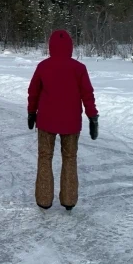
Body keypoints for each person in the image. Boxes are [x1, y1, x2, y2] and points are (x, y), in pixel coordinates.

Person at [27, 30, 99, 211]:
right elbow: (87, 95)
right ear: (70, 47)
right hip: (71, 123)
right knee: (70, 158)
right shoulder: (79, 68)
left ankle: (44, 200)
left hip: (46, 122)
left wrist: (31, 112)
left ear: (50, 46)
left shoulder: (43, 66)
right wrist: (92, 117)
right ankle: (69, 200)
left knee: (45, 157)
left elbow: (33, 92)